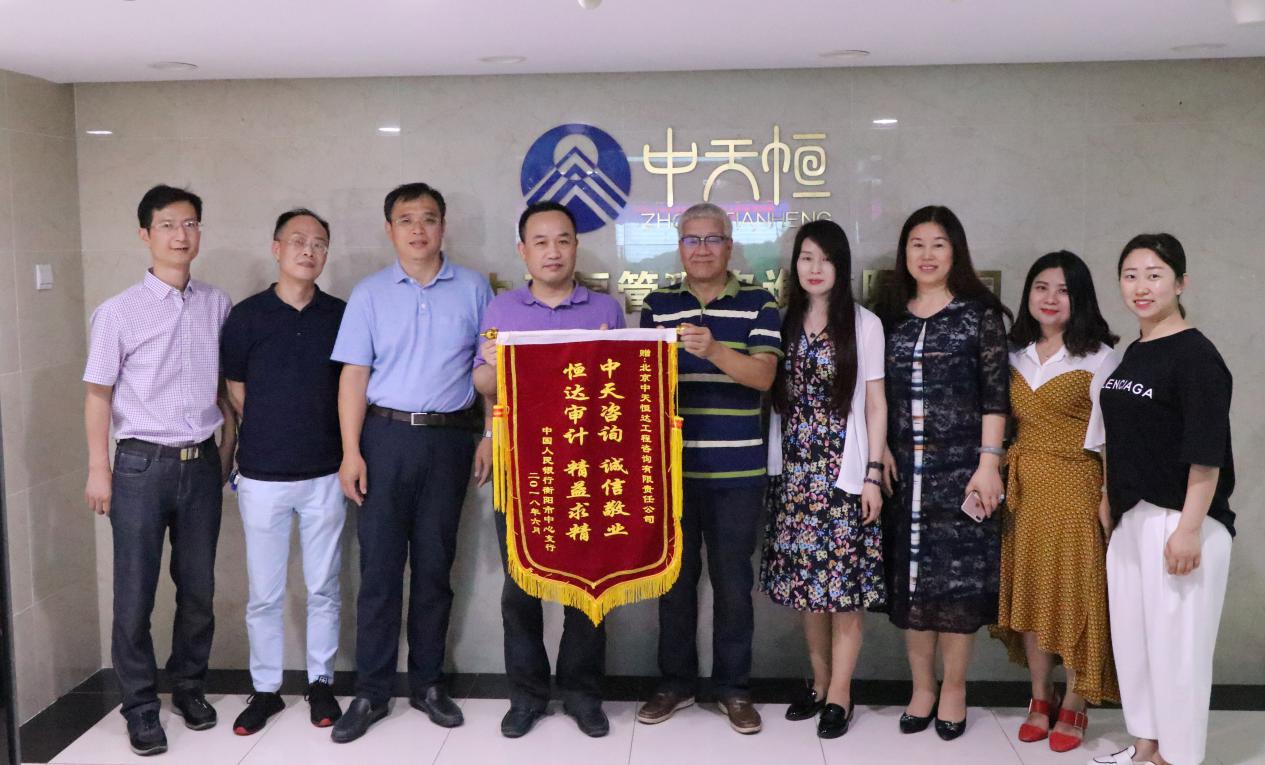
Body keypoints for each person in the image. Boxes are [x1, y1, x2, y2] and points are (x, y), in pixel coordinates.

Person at [329, 183, 493, 743]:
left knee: (434, 568)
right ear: (390, 229)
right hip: (384, 439)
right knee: (378, 572)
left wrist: (489, 434)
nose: (418, 229)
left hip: (449, 441)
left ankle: (428, 684)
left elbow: (490, 371)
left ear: (443, 225)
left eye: (428, 218)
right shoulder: (370, 293)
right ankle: (372, 691)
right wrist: (351, 451)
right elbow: (354, 376)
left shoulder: (474, 288)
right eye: (406, 220)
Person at [83, 184, 235, 757]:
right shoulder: (117, 311)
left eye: (190, 224)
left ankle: (189, 688)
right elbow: (98, 394)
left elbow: (224, 389)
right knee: (135, 593)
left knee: (198, 590)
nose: (181, 235)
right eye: (168, 225)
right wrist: (98, 468)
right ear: (145, 234)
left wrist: (228, 447)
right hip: (140, 464)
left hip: (201, 463)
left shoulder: (216, 303)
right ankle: (141, 706)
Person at [472, 201, 626, 739]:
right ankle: (527, 695)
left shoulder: (605, 310)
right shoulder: (502, 310)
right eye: (540, 242)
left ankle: (582, 694)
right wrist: (498, 371)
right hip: (522, 468)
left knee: (590, 584)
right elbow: (483, 384)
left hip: (587, 466)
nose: (553, 251)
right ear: (523, 251)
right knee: (521, 586)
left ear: (576, 247)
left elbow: (623, 391)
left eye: (562, 240)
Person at [635, 202, 782, 735]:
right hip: (671, 472)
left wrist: (715, 350)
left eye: (712, 239)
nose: (702, 249)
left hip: (737, 472)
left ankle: (733, 688)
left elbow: (764, 377)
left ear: (729, 246)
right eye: (691, 240)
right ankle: (674, 683)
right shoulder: (657, 305)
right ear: (679, 248)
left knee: (733, 585)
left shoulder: (759, 302)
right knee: (673, 584)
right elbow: (642, 385)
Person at [1090, 234, 1234, 765]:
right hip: (1134, 516)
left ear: (1180, 283)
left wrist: (1189, 528)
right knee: (1137, 645)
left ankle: (1177, 757)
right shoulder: (1135, 351)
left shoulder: (1197, 356)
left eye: (1154, 275)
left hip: (1181, 519)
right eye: (1131, 275)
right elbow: (1118, 434)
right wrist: (1109, 496)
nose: (1141, 287)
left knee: (1178, 654)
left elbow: (1207, 453)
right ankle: (1147, 747)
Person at [871, 205, 1010, 741]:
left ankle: (954, 688)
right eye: (917, 244)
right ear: (904, 253)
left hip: (963, 475)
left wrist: (989, 464)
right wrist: (881, 449)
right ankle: (922, 688)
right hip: (905, 476)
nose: (926, 255)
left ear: (956, 252)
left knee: (956, 587)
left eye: (938, 244)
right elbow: (875, 395)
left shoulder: (979, 315)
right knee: (912, 585)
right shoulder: (889, 316)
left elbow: (995, 397)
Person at [220, 208, 346, 736]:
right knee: (265, 593)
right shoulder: (246, 316)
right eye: (297, 241)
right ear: (276, 248)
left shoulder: (341, 315)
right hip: (262, 475)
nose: (308, 251)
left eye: (318, 243)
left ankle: (321, 683)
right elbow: (237, 389)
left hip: (326, 474)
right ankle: (266, 689)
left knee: (324, 587)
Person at [760, 220, 887, 739]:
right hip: (793, 472)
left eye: (826, 259)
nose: (815, 268)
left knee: (843, 589)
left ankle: (841, 693)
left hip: (842, 471)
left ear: (841, 266)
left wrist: (873, 473)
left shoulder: (864, 324)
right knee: (806, 587)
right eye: (806, 258)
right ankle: (817, 683)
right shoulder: (782, 321)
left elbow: (876, 404)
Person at [989, 251, 1120, 752]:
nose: (1050, 298)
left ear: (1080, 297)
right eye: (1041, 287)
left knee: (1077, 593)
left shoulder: (1101, 358)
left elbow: (1113, 439)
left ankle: (1077, 701)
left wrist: (1108, 495)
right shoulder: (1013, 353)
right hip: (1025, 490)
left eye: (1063, 290)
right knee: (1032, 591)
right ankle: (1040, 696)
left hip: (1078, 486)